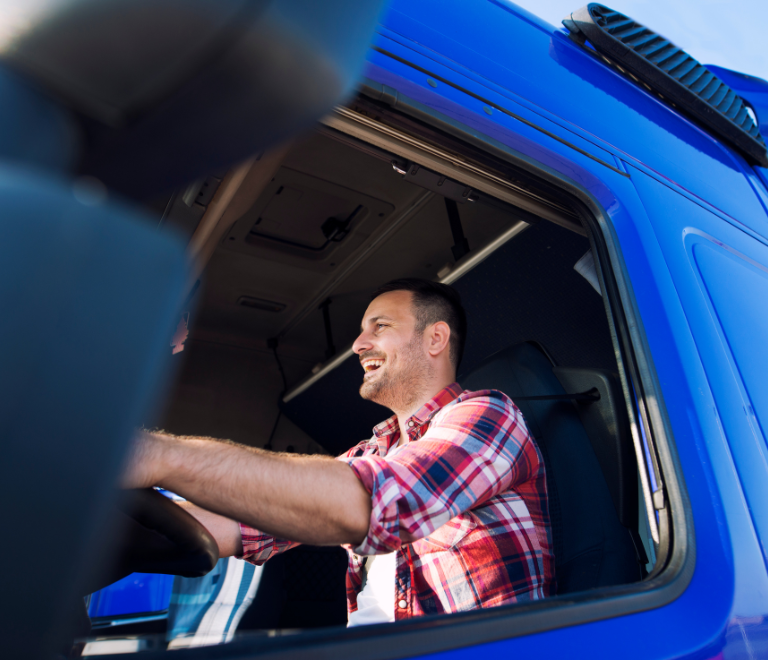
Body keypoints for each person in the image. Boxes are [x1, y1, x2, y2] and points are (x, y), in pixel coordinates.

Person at [123, 278, 554, 623]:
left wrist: (161, 455)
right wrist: (108, 523)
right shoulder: (373, 452)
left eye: (379, 327)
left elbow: (379, 502)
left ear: (436, 338)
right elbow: (243, 522)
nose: (358, 344)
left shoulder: (488, 414)